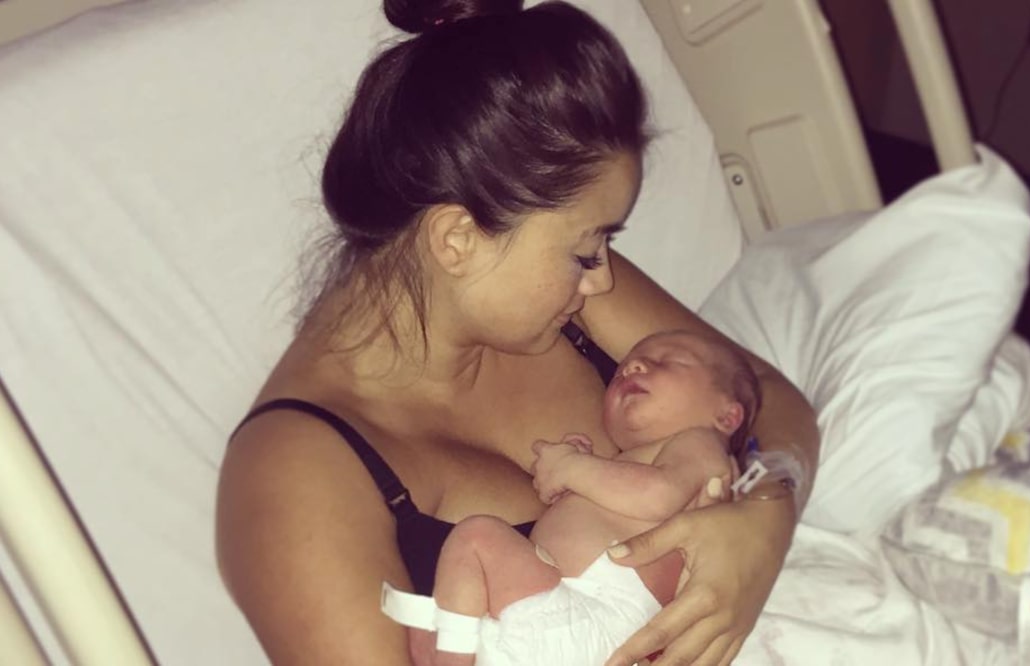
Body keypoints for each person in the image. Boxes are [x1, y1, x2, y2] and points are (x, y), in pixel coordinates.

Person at [215, 2, 820, 665]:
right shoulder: (295, 476)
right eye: (585, 251)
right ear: (457, 239)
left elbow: (761, 393)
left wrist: (766, 518)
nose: (601, 278)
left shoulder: (566, 298)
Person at [384, 330, 761, 665]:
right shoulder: (627, 465)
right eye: (622, 369)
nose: (632, 367)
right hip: (565, 617)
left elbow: (658, 496)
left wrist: (572, 468)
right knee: (418, 626)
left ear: (727, 416)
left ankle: (451, 656)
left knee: (476, 538)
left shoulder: (701, 443)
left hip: (594, 610)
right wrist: (571, 483)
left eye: (669, 361)